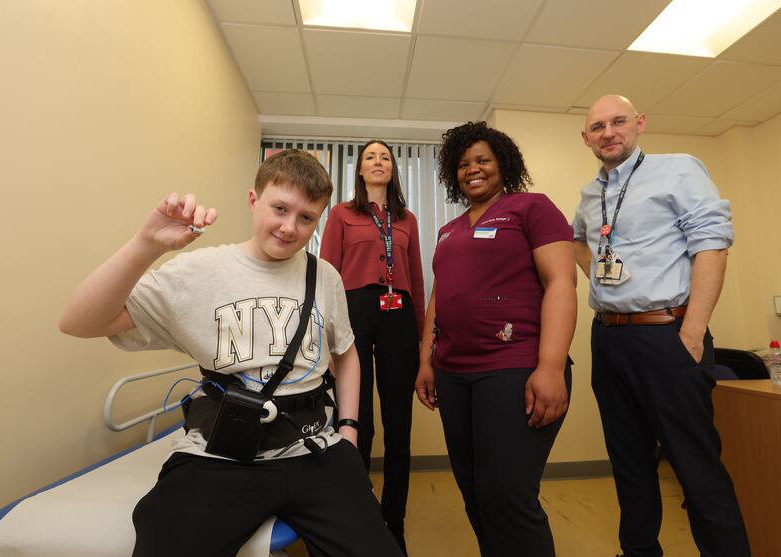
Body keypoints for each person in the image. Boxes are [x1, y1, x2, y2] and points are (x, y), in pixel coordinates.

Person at [58, 150, 403, 557]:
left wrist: (348, 430)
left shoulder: (324, 276)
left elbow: (345, 354)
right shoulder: (201, 272)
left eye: (306, 217)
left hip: (314, 451)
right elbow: (79, 322)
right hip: (220, 456)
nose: (289, 227)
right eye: (279, 208)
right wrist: (145, 245)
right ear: (254, 200)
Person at [572, 94, 750, 557]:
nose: (609, 132)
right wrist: (605, 287)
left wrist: (691, 332)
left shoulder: (679, 169)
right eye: (598, 126)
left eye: (619, 121)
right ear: (586, 137)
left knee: (696, 468)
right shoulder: (592, 195)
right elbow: (577, 240)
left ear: (640, 124)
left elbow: (712, 243)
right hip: (609, 338)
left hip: (666, 335)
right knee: (629, 465)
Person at [415, 122, 577, 557]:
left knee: (506, 495)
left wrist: (550, 367)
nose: (473, 169)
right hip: (453, 372)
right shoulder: (449, 230)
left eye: (483, 160)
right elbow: (439, 297)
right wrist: (426, 361)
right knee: (474, 491)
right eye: (463, 163)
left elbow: (561, 282)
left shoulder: (532, 208)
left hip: (514, 367)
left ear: (503, 163)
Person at [319, 139, 424, 554]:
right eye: (370, 158)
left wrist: (420, 341)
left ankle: (393, 522)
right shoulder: (342, 215)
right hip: (353, 311)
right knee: (357, 420)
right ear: (360, 170)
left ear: (393, 168)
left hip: (399, 311)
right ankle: (359, 516)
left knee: (399, 425)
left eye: (384, 157)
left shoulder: (407, 219)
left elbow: (414, 277)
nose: (378, 162)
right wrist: (327, 338)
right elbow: (326, 274)